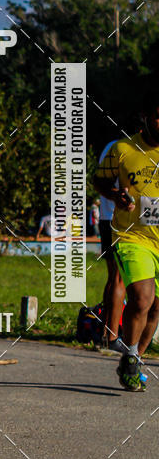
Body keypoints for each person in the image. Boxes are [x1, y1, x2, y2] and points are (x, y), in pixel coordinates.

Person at [94, 90, 159, 391]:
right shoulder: (121, 148)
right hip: (133, 236)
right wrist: (114, 195)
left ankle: (133, 359)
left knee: (157, 307)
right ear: (146, 119)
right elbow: (100, 180)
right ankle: (130, 355)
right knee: (142, 298)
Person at [97, 140, 126, 349]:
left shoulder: (110, 147)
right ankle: (112, 336)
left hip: (105, 219)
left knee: (113, 278)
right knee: (119, 279)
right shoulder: (126, 150)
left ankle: (106, 331)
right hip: (120, 220)